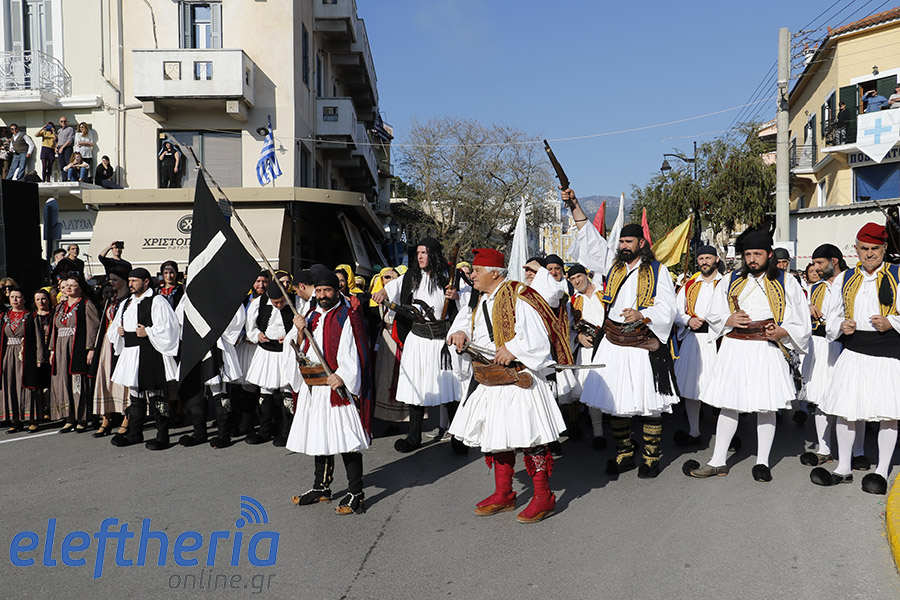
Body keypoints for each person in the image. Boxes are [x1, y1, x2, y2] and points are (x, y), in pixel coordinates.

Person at [447, 248, 571, 523]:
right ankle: (503, 493)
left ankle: (544, 497)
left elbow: (538, 336)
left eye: (477, 270)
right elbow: (468, 324)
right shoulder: (482, 299)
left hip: (517, 378)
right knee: (498, 437)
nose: (472, 275)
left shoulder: (519, 294)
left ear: (494, 273)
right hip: (491, 378)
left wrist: (513, 349)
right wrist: (460, 332)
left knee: (530, 439)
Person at [564, 188, 678, 479]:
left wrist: (643, 314)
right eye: (622, 242)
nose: (624, 246)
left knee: (650, 404)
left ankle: (651, 457)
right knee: (616, 403)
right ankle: (625, 454)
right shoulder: (612, 266)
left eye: (629, 241)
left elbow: (668, 307)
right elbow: (590, 239)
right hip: (613, 342)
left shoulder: (658, 270)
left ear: (642, 243)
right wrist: (574, 205)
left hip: (641, 342)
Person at [686, 231, 811, 482]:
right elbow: (714, 312)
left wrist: (783, 331)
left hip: (766, 347)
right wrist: (729, 319)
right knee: (729, 404)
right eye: (748, 254)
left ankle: (762, 462)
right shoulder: (730, 279)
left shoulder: (787, 281)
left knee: (766, 406)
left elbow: (801, 318)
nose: (752, 259)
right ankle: (717, 461)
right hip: (735, 347)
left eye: (757, 254)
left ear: (769, 255)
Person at [810, 223, 900, 495]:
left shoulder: (898, 274)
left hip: (888, 351)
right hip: (854, 350)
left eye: (875, 248)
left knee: (888, 414)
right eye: (864, 248)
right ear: (856, 249)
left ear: (884, 248)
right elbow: (832, 316)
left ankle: (881, 471)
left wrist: (892, 322)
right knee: (846, 410)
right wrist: (841, 326)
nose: (869, 253)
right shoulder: (845, 278)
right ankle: (843, 467)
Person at [287, 269, 372, 515]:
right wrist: (300, 330)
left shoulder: (348, 316)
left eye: (328, 290)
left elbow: (355, 351)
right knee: (320, 434)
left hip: (337, 387)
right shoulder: (310, 315)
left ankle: (356, 492)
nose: (323, 295)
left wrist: (343, 375)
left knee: (346, 439)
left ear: (337, 291)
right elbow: (301, 349)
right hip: (315, 387)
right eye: (320, 290)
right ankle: (321, 487)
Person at [372, 238, 468, 454]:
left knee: (450, 389)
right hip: (417, 339)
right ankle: (413, 437)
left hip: (442, 341)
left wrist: (456, 296)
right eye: (418, 253)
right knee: (416, 389)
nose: (420, 256)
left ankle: (458, 437)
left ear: (433, 254)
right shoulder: (411, 276)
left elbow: (469, 302)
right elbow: (391, 289)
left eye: (424, 253)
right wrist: (381, 294)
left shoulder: (451, 276)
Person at [108, 268, 180, 450]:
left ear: (146, 281)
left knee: (157, 395)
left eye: (134, 281)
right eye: (129, 280)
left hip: (151, 351)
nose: (130, 284)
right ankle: (134, 433)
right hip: (131, 352)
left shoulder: (157, 301)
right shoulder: (127, 303)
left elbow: (169, 327)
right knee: (135, 395)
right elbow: (115, 325)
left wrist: (148, 331)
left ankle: (163, 436)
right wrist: (119, 331)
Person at [672, 245, 723, 446]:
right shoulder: (689, 286)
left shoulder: (727, 284)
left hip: (719, 341)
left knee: (721, 387)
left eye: (708, 258)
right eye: (701, 258)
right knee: (692, 387)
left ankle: (724, 435)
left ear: (716, 259)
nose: (704, 262)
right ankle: (694, 431)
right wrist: (687, 320)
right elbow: (676, 311)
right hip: (694, 340)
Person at [244, 284, 294, 445]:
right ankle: (264, 431)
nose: (279, 305)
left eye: (281, 301)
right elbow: (250, 326)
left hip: (286, 352)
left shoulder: (295, 302)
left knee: (287, 391)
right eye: (275, 302)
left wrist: (289, 337)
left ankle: (287, 433)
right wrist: (257, 335)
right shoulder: (259, 303)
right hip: (266, 351)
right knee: (265, 391)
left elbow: (300, 325)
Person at [49, 275, 99, 433]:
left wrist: (91, 348)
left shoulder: (86, 304)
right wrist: (52, 350)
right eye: (66, 285)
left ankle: (82, 418)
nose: (68, 288)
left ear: (81, 288)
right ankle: (69, 417)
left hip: (77, 346)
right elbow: (54, 329)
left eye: (73, 285)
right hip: (60, 347)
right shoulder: (60, 306)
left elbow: (93, 327)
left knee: (78, 381)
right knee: (62, 381)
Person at [567, 263, 606, 449]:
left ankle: (622, 437)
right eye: (572, 279)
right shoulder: (572, 302)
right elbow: (568, 328)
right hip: (588, 351)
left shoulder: (604, 294)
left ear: (586, 275)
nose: (577, 281)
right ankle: (598, 434)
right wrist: (579, 337)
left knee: (616, 390)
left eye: (579, 276)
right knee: (591, 392)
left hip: (609, 347)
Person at [91, 266, 131, 437]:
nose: (111, 283)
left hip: (124, 343)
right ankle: (105, 419)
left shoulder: (130, 299)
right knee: (105, 379)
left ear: (124, 280)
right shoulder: (111, 299)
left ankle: (126, 419)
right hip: (108, 343)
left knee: (124, 382)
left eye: (115, 280)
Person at [0, 289, 44, 433]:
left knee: (26, 385)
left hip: (25, 354)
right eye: (12, 297)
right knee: (10, 385)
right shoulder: (4, 316)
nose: (15, 300)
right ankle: (15, 420)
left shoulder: (31, 316)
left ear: (24, 299)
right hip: (8, 354)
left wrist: (39, 357)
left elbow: (39, 338)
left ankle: (32, 419)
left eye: (18, 297)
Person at [370, 268, 408, 423]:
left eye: (394, 278)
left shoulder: (404, 299)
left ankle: (404, 417)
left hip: (401, 340)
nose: (390, 281)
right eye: (386, 277)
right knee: (384, 376)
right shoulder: (376, 301)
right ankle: (386, 417)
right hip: (386, 341)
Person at [31, 289, 54, 430]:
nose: (41, 302)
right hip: (37, 352)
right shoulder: (32, 316)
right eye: (38, 299)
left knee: (50, 381)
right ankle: (40, 410)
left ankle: (50, 408)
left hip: (51, 350)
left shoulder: (53, 315)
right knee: (39, 382)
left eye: (44, 298)